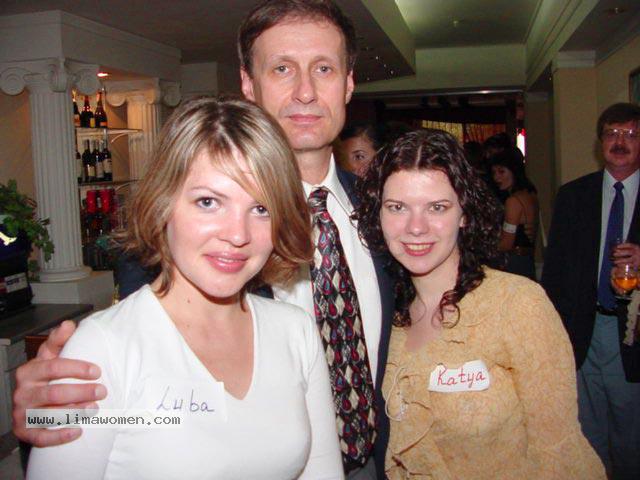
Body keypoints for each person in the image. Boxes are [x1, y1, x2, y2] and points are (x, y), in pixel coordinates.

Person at [13, 2, 394, 478]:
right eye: (282, 68)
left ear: (349, 83)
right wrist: (49, 408)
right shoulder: (158, 256)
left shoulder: (390, 214)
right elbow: (125, 403)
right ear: (249, 85)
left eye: (323, 68)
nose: (305, 91)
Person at [353, 128, 604, 479]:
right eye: (397, 207)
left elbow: (560, 452)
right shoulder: (381, 317)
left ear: (465, 213)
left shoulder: (517, 305)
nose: (415, 227)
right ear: (377, 215)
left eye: (437, 207)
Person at [541, 102, 640, 479]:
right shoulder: (573, 195)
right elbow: (555, 271)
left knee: (631, 440)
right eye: (612, 134)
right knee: (586, 435)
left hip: (631, 335)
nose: (620, 142)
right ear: (600, 143)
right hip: (582, 330)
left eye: (630, 134)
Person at [490, 146, 539, 280]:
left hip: (514, 263)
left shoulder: (513, 201)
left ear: (514, 171)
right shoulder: (531, 194)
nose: (496, 177)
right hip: (527, 261)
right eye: (494, 172)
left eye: (502, 172)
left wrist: (482, 246)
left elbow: (507, 243)